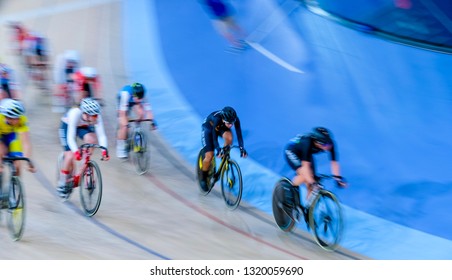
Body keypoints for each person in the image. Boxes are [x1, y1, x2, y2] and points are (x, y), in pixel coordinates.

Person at [57, 98, 109, 197]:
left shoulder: (95, 116)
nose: (96, 118)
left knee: (92, 140)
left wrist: (104, 150)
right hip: (67, 126)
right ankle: (62, 182)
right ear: (86, 114)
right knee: (70, 156)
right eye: (94, 116)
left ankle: (84, 164)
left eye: (96, 115)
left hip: (82, 126)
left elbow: (101, 135)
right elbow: (70, 138)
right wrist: (76, 152)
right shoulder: (75, 113)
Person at [284, 127, 347, 204]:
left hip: (306, 155)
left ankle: (307, 209)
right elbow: (305, 166)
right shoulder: (307, 142)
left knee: (313, 182)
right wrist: (312, 182)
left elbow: (334, 162)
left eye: (329, 143)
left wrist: (338, 178)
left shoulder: (330, 144)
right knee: (305, 176)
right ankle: (289, 190)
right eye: (325, 144)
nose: (328, 147)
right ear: (316, 142)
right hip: (292, 152)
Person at [199, 106, 247, 191]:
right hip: (209, 129)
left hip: (220, 127)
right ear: (224, 119)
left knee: (230, 137)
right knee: (209, 156)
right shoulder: (217, 118)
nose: (231, 125)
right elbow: (214, 137)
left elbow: (239, 135)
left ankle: (224, 158)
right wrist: (218, 149)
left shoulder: (235, 119)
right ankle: (203, 177)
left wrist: (242, 148)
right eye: (229, 123)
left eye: (232, 123)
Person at [116, 82, 156, 159]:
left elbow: (149, 111)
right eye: (138, 98)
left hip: (132, 101)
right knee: (124, 126)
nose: (140, 99)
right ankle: (120, 146)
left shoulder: (142, 95)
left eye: (141, 98)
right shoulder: (125, 94)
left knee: (141, 114)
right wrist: (125, 124)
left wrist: (152, 122)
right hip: (123, 102)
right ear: (133, 94)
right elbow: (122, 113)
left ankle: (137, 133)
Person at [0, 98, 36, 177]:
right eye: (15, 119)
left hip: (12, 136)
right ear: (7, 117)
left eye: (19, 118)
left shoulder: (22, 119)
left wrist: (27, 161)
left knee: (17, 165)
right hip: (1, 136)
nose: (18, 121)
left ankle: (16, 184)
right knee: (1, 152)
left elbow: (26, 142)